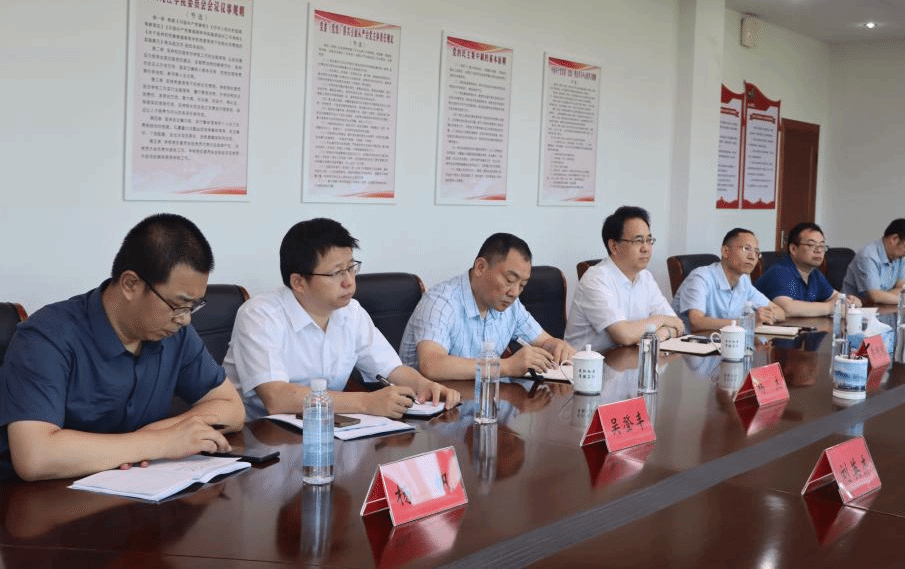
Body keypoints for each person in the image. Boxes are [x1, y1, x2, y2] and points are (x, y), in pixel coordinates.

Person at [0, 214, 244, 481]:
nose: (185, 319)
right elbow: (35, 457)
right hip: (49, 497)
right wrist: (160, 442)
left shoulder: (176, 333)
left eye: (193, 306)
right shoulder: (47, 337)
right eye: (177, 305)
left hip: (138, 489)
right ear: (130, 284)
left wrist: (155, 437)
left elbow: (231, 408)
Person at [224, 218, 459, 420]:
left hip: (326, 428)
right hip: (259, 436)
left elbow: (392, 369)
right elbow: (276, 398)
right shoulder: (260, 315)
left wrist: (425, 386)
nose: (349, 281)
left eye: (351, 268)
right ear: (298, 282)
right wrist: (366, 403)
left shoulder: (351, 312)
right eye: (336, 273)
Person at [399, 232, 575, 380]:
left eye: (522, 285)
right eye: (509, 280)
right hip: (432, 406)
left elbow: (545, 341)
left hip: (481, 402)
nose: (515, 292)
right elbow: (432, 365)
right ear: (480, 267)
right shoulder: (441, 301)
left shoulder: (510, 305)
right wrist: (506, 366)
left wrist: (556, 345)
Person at [564, 206, 684, 352]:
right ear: (614, 247)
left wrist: (661, 333)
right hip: (589, 364)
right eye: (638, 241)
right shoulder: (596, 279)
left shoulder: (645, 277)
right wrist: (661, 321)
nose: (646, 248)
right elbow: (623, 335)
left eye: (649, 240)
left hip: (630, 360)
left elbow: (677, 324)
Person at [673, 228, 785, 332]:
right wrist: (746, 323)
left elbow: (780, 312)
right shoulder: (701, 277)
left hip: (724, 342)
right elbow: (696, 322)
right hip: (689, 343)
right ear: (726, 251)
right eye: (746, 249)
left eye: (756, 252)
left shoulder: (744, 281)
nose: (752, 257)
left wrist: (767, 315)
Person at [754, 222, 861, 317]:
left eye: (822, 246)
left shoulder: (814, 274)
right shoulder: (780, 272)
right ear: (793, 249)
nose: (818, 250)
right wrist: (830, 307)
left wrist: (850, 301)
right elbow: (787, 308)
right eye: (811, 245)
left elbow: (836, 297)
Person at [842, 218, 905, 305]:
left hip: (882, 308)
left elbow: (901, 289)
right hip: (855, 310)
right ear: (894, 239)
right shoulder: (868, 256)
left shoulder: (899, 258)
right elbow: (875, 296)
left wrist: (883, 297)